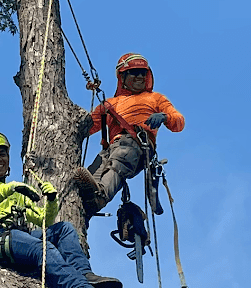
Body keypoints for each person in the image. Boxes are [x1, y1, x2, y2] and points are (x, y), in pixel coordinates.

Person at [0, 132, 121, 288]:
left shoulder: (17, 194)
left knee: (63, 230)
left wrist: (51, 201)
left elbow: (43, 220)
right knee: (41, 247)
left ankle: (83, 274)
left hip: (13, 239)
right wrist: (10, 188)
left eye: (2, 154)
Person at [74, 53, 185, 215]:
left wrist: (165, 117)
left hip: (137, 145)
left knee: (120, 160)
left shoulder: (155, 98)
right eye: (134, 72)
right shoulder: (110, 104)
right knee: (91, 176)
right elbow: (88, 126)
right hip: (111, 149)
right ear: (123, 77)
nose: (140, 76)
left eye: (143, 72)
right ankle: (82, 209)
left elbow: (178, 122)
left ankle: (101, 196)